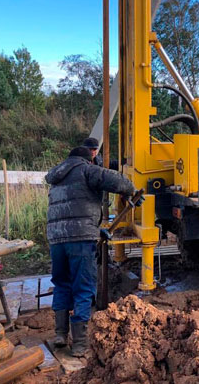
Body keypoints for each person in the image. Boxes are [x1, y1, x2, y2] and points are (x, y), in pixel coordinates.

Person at [45, 146, 136, 357]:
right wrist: (130, 190)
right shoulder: (87, 170)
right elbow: (118, 181)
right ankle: (79, 343)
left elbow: (72, 208)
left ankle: (60, 334)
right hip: (80, 239)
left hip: (56, 238)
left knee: (61, 283)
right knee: (83, 288)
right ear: (88, 160)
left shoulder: (57, 176)